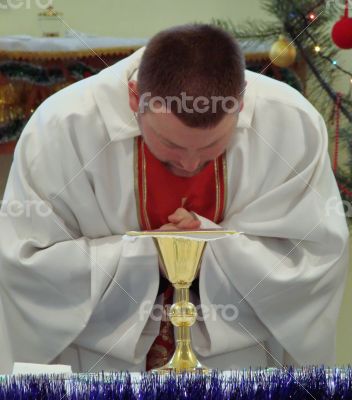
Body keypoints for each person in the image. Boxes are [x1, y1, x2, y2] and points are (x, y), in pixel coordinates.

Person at [0, 24, 349, 374]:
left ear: (240, 104)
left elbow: (314, 259)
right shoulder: (62, 128)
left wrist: (209, 247)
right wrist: (149, 255)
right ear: (135, 98)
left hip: (240, 367)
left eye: (212, 147)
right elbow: (25, 265)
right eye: (171, 147)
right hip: (102, 369)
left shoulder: (290, 124)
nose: (190, 163)